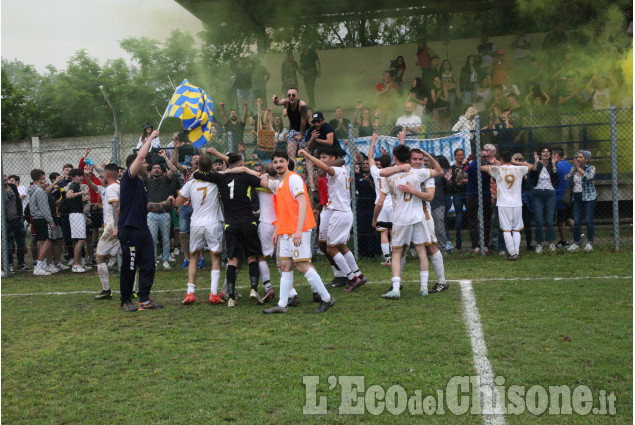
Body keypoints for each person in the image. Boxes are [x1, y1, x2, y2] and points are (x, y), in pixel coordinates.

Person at [262, 150, 335, 314]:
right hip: (286, 231)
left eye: (281, 161)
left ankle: (327, 298)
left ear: (288, 162)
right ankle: (282, 304)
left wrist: (298, 230)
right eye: (275, 162)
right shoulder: (280, 182)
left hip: (297, 230)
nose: (279, 165)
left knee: (302, 266)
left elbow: (303, 203)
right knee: (286, 265)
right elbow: (264, 183)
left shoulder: (293, 178)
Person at [193, 150, 265, 307]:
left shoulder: (219, 177)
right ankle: (254, 289)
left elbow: (197, 175)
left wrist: (224, 170)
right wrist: (243, 170)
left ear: (227, 164)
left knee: (232, 260)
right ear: (241, 165)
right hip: (248, 222)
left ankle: (231, 297)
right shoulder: (245, 176)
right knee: (252, 257)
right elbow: (261, 178)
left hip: (230, 224)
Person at [374, 143, 442, 299]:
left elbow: (381, 173)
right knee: (421, 251)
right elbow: (439, 170)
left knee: (397, 253)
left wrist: (399, 168)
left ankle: (396, 289)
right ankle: (423, 287)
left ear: (395, 158)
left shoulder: (389, 176)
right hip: (418, 217)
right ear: (409, 158)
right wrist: (429, 156)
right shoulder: (418, 173)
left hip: (400, 218)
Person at [300, 147, 366, 293]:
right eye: (321, 157)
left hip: (339, 213)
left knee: (331, 248)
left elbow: (327, 167)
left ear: (332, 158)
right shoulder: (340, 168)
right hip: (333, 210)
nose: (322, 160)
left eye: (325, 157)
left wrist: (307, 155)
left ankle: (351, 278)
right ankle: (358, 275)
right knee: (339, 246)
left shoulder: (337, 170)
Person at [119, 128, 171, 312]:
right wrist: (150, 138)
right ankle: (126, 300)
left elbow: (147, 206)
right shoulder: (129, 178)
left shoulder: (141, 184)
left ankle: (144, 299)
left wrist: (164, 203)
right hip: (129, 229)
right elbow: (140, 157)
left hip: (142, 230)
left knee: (149, 263)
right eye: (144, 162)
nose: (147, 164)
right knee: (130, 265)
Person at [176, 155, 226, 305]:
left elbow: (178, 202)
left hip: (196, 223)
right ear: (211, 168)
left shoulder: (191, 183)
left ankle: (190, 293)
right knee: (215, 258)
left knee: (193, 257)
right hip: (213, 223)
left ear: (198, 168)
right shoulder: (216, 183)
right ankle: (213, 294)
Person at [398, 146, 448, 293]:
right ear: (408, 160)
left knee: (431, 246)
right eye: (415, 159)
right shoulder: (402, 171)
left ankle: (442, 281)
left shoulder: (427, 174)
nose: (418, 162)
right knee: (400, 249)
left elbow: (430, 196)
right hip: (405, 215)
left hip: (423, 215)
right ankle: (397, 283)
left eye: (421, 159)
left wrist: (413, 191)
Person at [481, 150, 533, 260]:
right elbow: (531, 165)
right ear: (511, 159)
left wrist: (496, 164)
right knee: (516, 229)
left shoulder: (498, 169)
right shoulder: (519, 169)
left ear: (501, 159)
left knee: (506, 229)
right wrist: (517, 163)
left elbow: (482, 167)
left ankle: (512, 253)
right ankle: (516, 252)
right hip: (517, 203)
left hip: (503, 203)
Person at [84, 164, 120, 299]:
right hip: (118, 225)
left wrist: (116, 227)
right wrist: (88, 176)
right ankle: (132, 290)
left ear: (106, 176)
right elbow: (93, 186)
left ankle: (106, 290)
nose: (100, 177)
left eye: (102, 175)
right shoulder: (116, 186)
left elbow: (117, 208)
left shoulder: (111, 188)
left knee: (99, 257)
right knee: (123, 258)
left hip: (113, 226)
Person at [145, 151, 178, 269]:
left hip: (165, 214)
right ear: (151, 170)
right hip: (152, 215)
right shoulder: (147, 181)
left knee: (165, 239)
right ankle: (153, 261)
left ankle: (165, 260)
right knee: (152, 239)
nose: (156, 170)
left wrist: (164, 156)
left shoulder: (165, 179)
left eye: (159, 168)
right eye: (154, 168)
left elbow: (173, 170)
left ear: (161, 170)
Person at [368, 134, 393, 265]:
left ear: (380, 164)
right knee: (393, 231)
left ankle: (387, 258)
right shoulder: (394, 170)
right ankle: (397, 256)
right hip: (393, 205)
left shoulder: (375, 172)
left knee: (383, 232)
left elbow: (370, 158)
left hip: (380, 204)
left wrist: (373, 142)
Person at [529, 147, 559, 253]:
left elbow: (556, 179)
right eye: (543, 152)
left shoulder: (552, 164)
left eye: (547, 152)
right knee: (539, 220)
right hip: (538, 194)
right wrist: (536, 164)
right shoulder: (537, 164)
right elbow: (531, 177)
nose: (545, 153)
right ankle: (539, 243)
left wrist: (554, 166)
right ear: (540, 154)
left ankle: (551, 242)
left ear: (550, 154)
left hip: (550, 194)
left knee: (550, 220)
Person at [566, 150, 597, 252]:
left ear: (586, 159)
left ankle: (590, 243)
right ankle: (576, 242)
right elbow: (566, 178)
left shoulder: (591, 168)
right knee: (577, 221)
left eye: (581, 157)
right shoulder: (574, 169)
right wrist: (573, 170)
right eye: (577, 157)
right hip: (577, 197)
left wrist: (579, 169)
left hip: (589, 197)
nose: (578, 159)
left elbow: (589, 177)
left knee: (588, 220)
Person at [465, 148, 495, 253]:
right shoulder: (473, 165)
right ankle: (475, 245)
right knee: (472, 220)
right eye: (483, 156)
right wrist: (466, 163)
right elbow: (462, 175)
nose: (486, 158)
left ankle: (485, 245)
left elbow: (495, 171)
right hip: (472, 194)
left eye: (487, 156)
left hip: (485, 194)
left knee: (487, 219)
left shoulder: (489, 165)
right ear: (479, 157)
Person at [272, 87, 309, 162]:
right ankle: (294, 173)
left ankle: (310, 174)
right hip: (293, 130)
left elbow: (303, 121)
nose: (291, 97)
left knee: (307, 155)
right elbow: (278, 103)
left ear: (297, 96)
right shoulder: (286, 102)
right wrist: (275, 100)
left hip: (304, 130)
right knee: (290, 155)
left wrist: (301, 134)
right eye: (289, 95)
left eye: (293, 95)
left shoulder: (302, 105)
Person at [64, 169, 90, 273]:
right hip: (75, 215)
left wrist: (85, 216)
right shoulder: (73, 185)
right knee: (80, 240)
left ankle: (79, 263)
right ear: (73, 177)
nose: (81, 177)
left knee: (80, 240)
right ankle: (76, 264)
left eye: (81, 175)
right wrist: (82, 192)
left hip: (79, 214)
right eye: (78, 176)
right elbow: (68, 195)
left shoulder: (77, 186)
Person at [4, 174, 28, 273]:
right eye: (2, 176)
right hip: (7, 222)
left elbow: (18, 201)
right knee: (9, 244)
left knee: (21, 243)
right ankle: (9, 264)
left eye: (5, 176)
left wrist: (21, 217)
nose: (5, 178)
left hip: (17, 219)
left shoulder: (12, 187)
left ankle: (21, 263)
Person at [552, 147, 574, 248]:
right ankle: (578, 235)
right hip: (569, 195)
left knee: (560, 220)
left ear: (556, 155)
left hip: (559, 196)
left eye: (552, 154)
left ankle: (564, 241)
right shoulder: (570, 165)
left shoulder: (556, 166)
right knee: (569, 217)